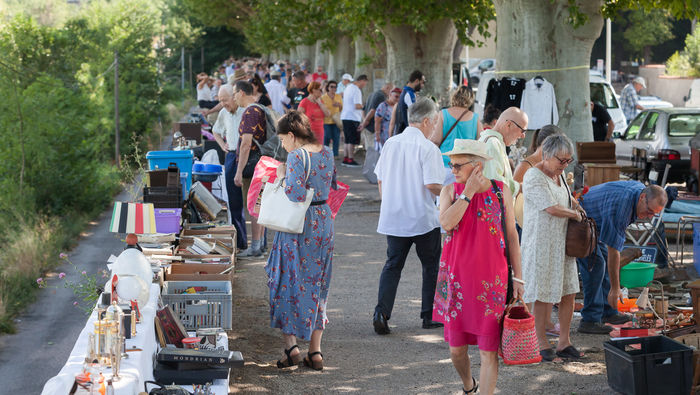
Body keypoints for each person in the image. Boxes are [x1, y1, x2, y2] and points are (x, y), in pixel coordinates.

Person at [435, 139, 524, 395]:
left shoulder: (501, 190)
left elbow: (512, 236)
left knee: (488, 351)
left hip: (492, 281)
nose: (452, 170)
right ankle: (468, 385)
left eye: (457, 165)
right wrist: (468, 193)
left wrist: (518, 278)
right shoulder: (450, 191)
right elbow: (447, 223)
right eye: (450, 164)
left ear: (477, 166)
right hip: (457, 280)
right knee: (456, 349)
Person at [266, 110, 337, 371]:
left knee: (285, 279)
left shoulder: (296, 156)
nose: (282, 145)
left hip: (299, 224)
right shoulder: (327, 152)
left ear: (293, 136)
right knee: (319, 283)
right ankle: (315, 352)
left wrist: (281, 174)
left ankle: (292, 348)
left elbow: (295, 194)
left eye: (283, 140)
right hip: (324, 220)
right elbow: (333, 184)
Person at [372, 97, 445, 335]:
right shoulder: (428, 148)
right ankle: (429, 314)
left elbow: (380, 178)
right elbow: (433, 184)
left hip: (394, 215)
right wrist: (450, 193)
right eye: (434, 122)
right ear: (425, 121)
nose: (435, 126)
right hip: (422, 216)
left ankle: (381, 312)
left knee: (392, 265)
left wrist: (389, 201)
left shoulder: (391, 143)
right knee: (431, 265)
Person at [521, 134, 583, 361]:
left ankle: (564, 341)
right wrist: (574, 214)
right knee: (542, 292)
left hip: (562, 243)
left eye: (569, 161)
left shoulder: (560, 176)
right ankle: (540, 341)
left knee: (569, 289)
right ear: (546, 155)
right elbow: (551, 208)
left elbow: (565, 200)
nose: (565, 165)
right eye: (561, 160)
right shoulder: (533, 176)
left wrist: (575, 204)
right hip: (541, 243)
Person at [577, 181, 667, 334]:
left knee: (604, 263)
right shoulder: (622, 207)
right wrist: (615, 288)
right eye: (649, 211)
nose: (650, 217)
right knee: (596, 266)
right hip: (581, 220)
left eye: (654, 214)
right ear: (642, 198)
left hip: (596, 221)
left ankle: (608, 312)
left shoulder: (641, 194)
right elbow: (614, 250)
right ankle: (589, 320)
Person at [212, 84, 248, 251]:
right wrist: (222, 145)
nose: (223, 104)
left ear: (234, 97)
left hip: (247, 156)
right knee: (234, 202)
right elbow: (215, 131)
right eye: (220, 101)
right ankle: (240, 243)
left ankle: (258, 243)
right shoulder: (223, 113)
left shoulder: (245, 111)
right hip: (231, 155)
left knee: (253, 201)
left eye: (225, 100)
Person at [233, 80, 267, 257]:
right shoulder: (260, 109)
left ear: (241, 93)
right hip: (262, 164)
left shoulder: (250, 111)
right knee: (260, 205)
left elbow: (246, 144)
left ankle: (255, 247)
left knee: (253, 206)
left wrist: (238, 171)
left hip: (253, 166)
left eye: (234, 93)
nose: (234, 98)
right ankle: (259, 245)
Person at [430, 85, 483, 185]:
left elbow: (435, 141)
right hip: (465, 166)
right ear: (470, 99)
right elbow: (480, 143)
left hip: (445, 164)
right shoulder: (475, 118)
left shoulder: (443, 114)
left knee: (443, 197)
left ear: (454, 96)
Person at [478, 107, 529, 196]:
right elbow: (494, 182)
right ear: (508, 124)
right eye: (522, 130)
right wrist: (520, 187)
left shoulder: (494, 142)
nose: (523, 136)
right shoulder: (492, 144)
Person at [340, 74, 369, 167]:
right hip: (352, 117)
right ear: (362, 81)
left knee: (347, 139)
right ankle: (350, 159)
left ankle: (345, 158)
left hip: (345, 116)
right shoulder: (356, 90)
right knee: (352, 140)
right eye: (365, 83)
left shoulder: (348, 87)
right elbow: (357, 105)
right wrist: (364, 106)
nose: (364, 85)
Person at [389, 70, 425, 136]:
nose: (423, 86)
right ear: (417, 81)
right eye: (423, 83)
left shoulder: (405, 92)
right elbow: (414, 115)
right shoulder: (409, 94)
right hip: (407, 134)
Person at [320, 80, 343, 157]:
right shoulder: (323, 97)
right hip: (326, 121)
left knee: (336, 138)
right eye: (331, 86)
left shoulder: (338, 96)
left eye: (335, 87)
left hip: (336, 121)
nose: (333, 88)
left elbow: (341, 108)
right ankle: (325, 154)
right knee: (327, 137)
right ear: (328, 87)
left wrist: (339, 105)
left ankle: (335, 154)